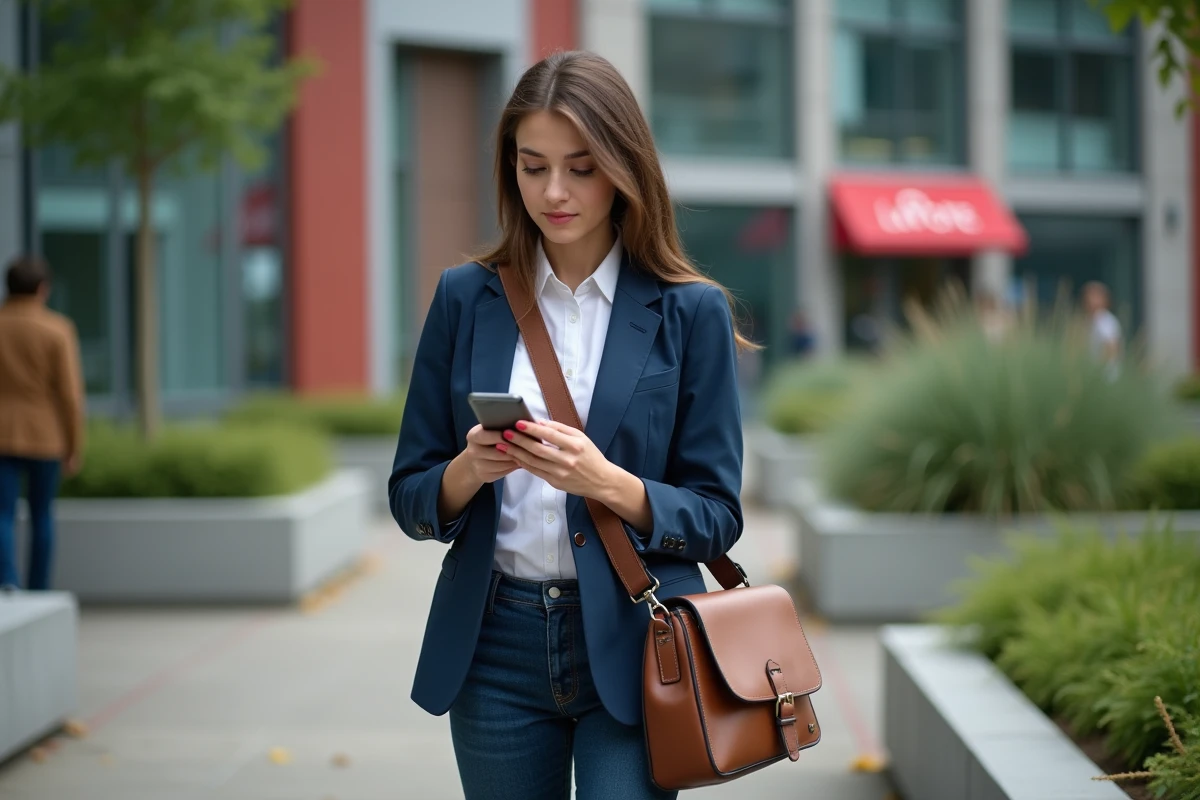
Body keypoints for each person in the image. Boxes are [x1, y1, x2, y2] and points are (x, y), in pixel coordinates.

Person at [388, 51, 750, 800]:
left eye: (581, 168)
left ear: (623, 167)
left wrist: (608, 484)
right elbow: (410, 494)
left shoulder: (691, 313)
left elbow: (716, 516)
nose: (553, 192)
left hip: (635, 644)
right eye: (533, 166)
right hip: (494, 646)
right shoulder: (464, 298)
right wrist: (467, 471)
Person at [0, 255, 86, 592]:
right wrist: (74, 445)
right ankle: (39, 588)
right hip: (45, 435)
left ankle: (7, 580)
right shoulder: (57, 329)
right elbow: (70, 396)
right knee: (42, 515)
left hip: (1, 434)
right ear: (42, 289)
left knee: (2, 513)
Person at [1082, 281, 1122, 375]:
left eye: (1095, 296)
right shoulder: (1088, 320)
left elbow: (1112, 347)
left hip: (1104, 374)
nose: (1091, 300)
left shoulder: (1107, 321)